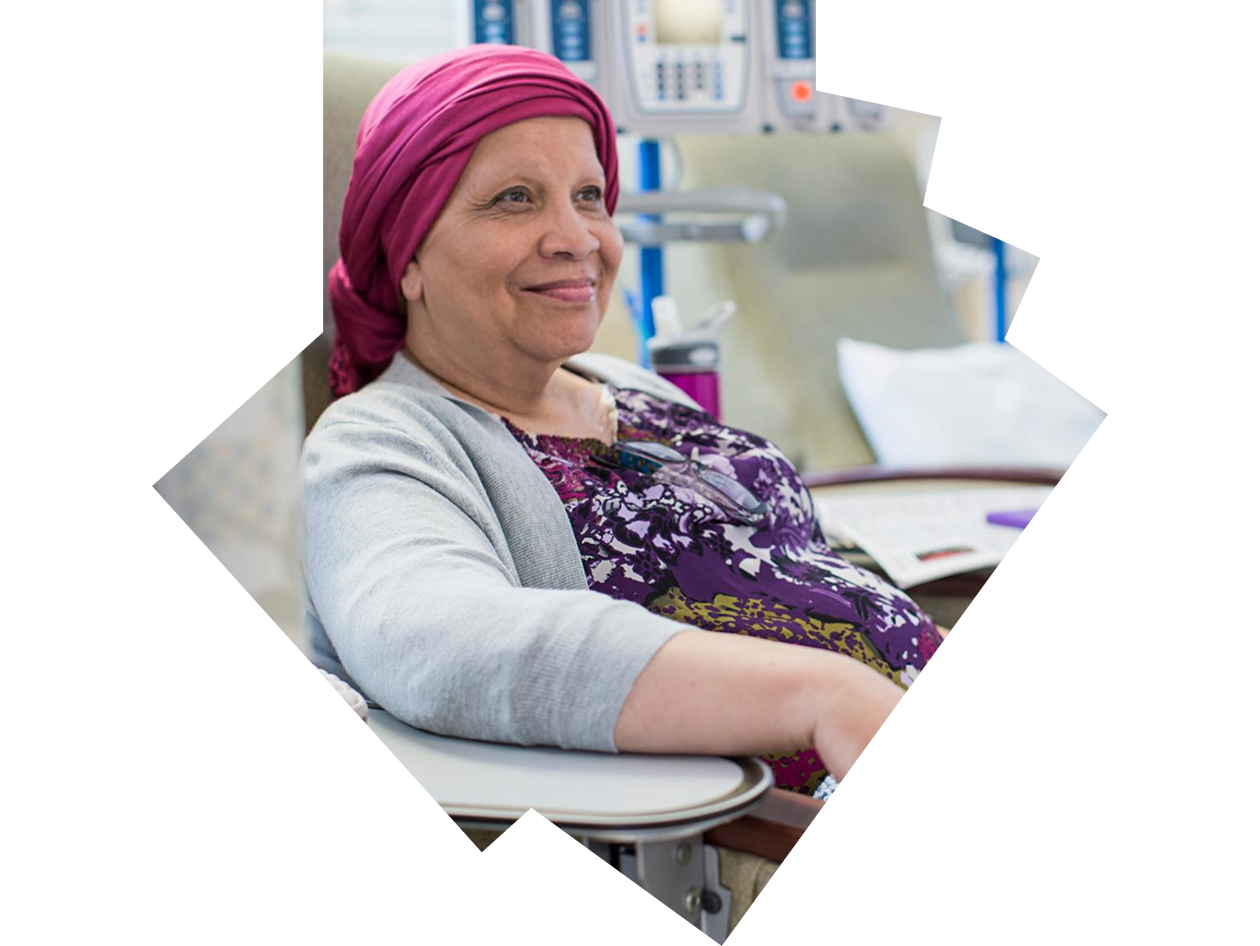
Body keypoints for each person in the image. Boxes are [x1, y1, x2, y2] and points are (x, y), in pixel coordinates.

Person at [307, 44, 952, 798]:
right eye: (516, 197)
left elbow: (803, 567)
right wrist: (823, 696)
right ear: (406, 252)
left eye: (588, 195)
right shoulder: (376, 443)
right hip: (838, 842)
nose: (577, 239)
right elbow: (435, 641)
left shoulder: (628, 387)